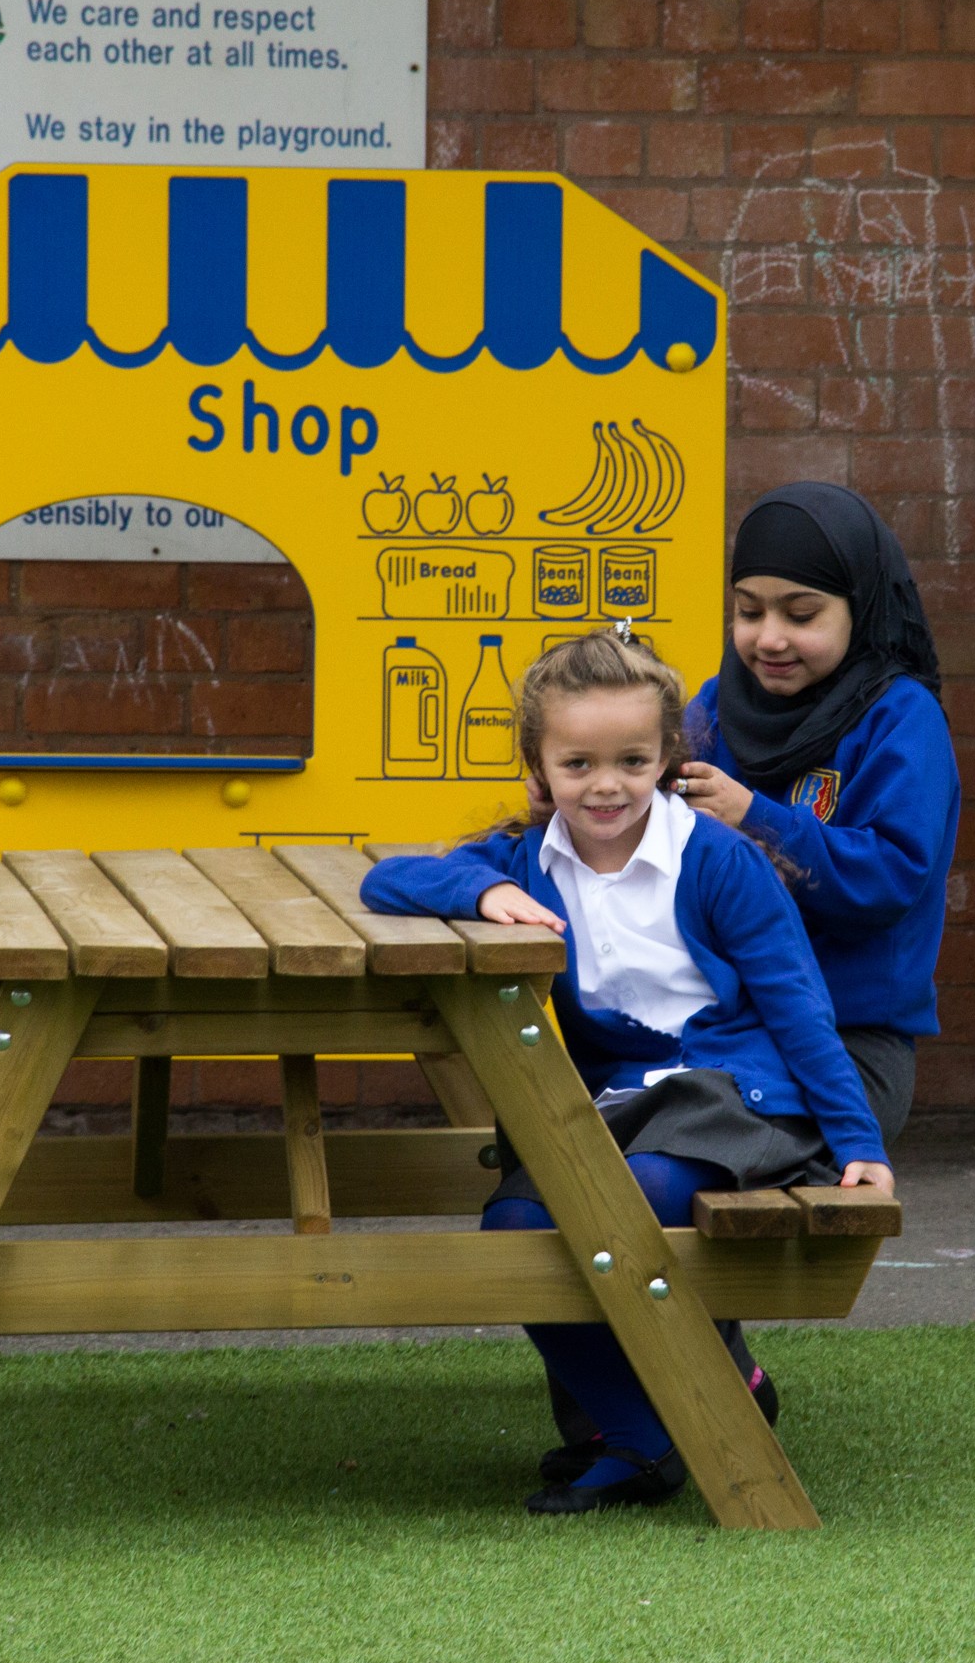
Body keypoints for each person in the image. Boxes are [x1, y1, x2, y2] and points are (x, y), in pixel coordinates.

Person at [361, 631, 895, 1515]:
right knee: (515, 1228)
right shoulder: (527, 857)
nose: (605, 784)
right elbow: (389, 883)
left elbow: (799, 1010)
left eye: (631, 760)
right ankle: (646, 1427)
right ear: (537, 768)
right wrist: (481, 896)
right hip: (618, 1097)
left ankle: (697, 1402)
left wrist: (857, 1142)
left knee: (626, 1196)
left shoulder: (715, 860)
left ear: (667, 758)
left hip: (734, 1091)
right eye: (577, 763)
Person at [540, 484, 961, 1484]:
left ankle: (704, 1395)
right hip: (710, 1049)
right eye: (748, 609)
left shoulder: (899, 721)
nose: (768, 637)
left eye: (801, 614)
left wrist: (756, 819)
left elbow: (895, 876)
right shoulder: (712, 712)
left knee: (643, 1190)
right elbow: (630, 813)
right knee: (551, 1190)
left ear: (859, 609)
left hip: (841, 1055)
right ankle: (631, 1417)